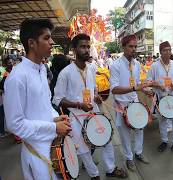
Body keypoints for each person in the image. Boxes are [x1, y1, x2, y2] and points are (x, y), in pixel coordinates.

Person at [3, 18, 71, 180]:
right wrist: (53, 128)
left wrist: (55, 118)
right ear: (32, 43)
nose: (52, 42)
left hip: (52, 146)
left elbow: (43, 105)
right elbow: (14, 124)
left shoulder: (41, 70)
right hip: (37, 152)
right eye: (46, 38)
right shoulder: (17, 77)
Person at [53, 34, 127, 179]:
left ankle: (110, 169)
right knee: (83, 150)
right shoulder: (65, 73)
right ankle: (94, 175)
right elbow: (57, 99)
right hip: (76, 116)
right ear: (74, 49)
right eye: (82, 46)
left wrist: (96, 95)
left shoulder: (92, 68)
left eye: (88, 46)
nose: (87, 50)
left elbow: (92, 89)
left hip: (94, 112)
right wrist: (79, 105)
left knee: (106, 140)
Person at [109, 34, 151, 172]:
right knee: (125, 133)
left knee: (139, 129)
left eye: (135, 46)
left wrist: (145, 90)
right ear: (123, 47)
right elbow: (114, 89)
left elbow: (137, 83)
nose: (133, 49)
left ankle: (138, 153)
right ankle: (129, 157)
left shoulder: (137, 64)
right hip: (121, 105)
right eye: (130, 46)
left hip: (135, 102)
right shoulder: (115, 65)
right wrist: (135, 88)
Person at [147, 41, 173, 154]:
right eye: (165, 50)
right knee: (162, 121)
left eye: (169, 50)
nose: (167, 52)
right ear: (160, 52)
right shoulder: (154, 66)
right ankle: (164, 141)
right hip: (161, 98)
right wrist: (158, 85)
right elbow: (148, 81)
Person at [0, 56, 13, 138]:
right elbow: (2, 87)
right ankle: (1, 131)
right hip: (3, 98)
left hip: (6, 97)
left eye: (11, 62)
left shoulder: (10, 72)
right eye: (9, 63)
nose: (11, 64)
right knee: (2, 114)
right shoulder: (4, 73)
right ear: (5, 64)